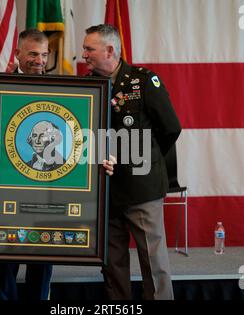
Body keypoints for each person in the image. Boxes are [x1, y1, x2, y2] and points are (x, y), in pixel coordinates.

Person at [0, 28, 115, 301]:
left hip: (50, 195)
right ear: (18, 53)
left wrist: (102, 159)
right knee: (4, 269)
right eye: (33, 54)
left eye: (44, 55)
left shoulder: (65, 90)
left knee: (42, 270)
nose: (39, 60)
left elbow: (84, 140)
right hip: (6, 195)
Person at [82, 24, 182, 300]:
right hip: (105, 188)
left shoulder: (143, 81)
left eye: (89, 48)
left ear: (110, 50)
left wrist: (142, 159)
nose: (84, 54)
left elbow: (170, 128)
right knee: (112, 261)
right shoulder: (88, 84)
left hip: (141, 187)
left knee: (153, 259)